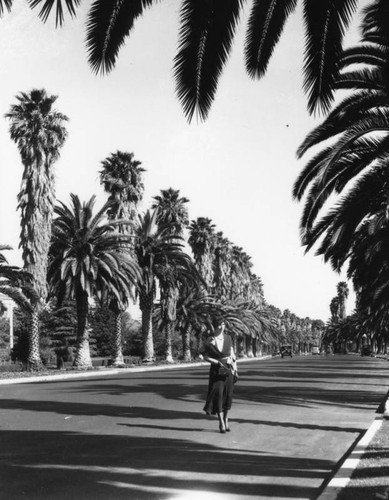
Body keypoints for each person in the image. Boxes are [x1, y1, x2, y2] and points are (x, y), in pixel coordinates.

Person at [202, 318, 238, 433]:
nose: (221, 327)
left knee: (228, 396)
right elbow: (205, 356)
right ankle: (221, 422)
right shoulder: (210, 339)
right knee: (218, 396)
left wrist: (235, 369)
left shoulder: (228, 338)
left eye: (223, 324)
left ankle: (226, 419)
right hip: (216, 371)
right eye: (219, 324)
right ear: (215, 326)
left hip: (228, 370)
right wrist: (216, 362)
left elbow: (232, 355)